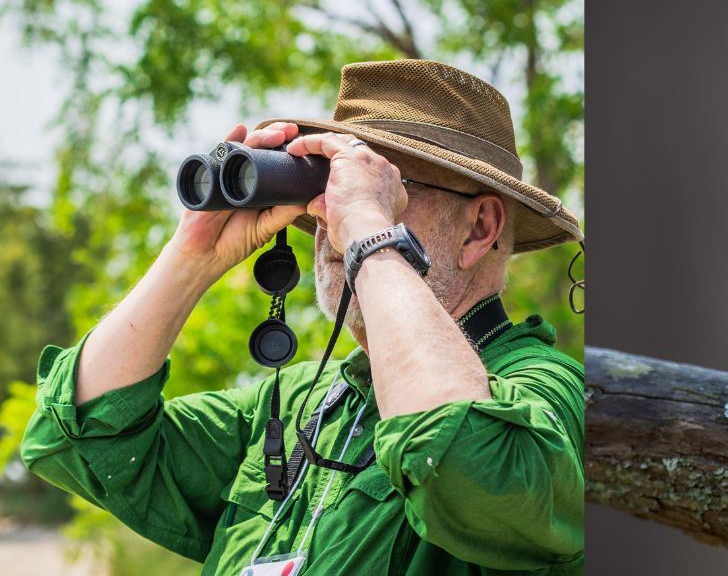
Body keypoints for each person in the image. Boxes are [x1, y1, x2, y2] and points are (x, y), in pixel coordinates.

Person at [20, 60, 586, 575]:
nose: (330, 220)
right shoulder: (294, 404)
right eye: (327, 184)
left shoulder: (551, 395)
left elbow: (468, 463)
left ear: (480, 228)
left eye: (386, 185)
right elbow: (85, 432)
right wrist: (191, 258)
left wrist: (368, 224)